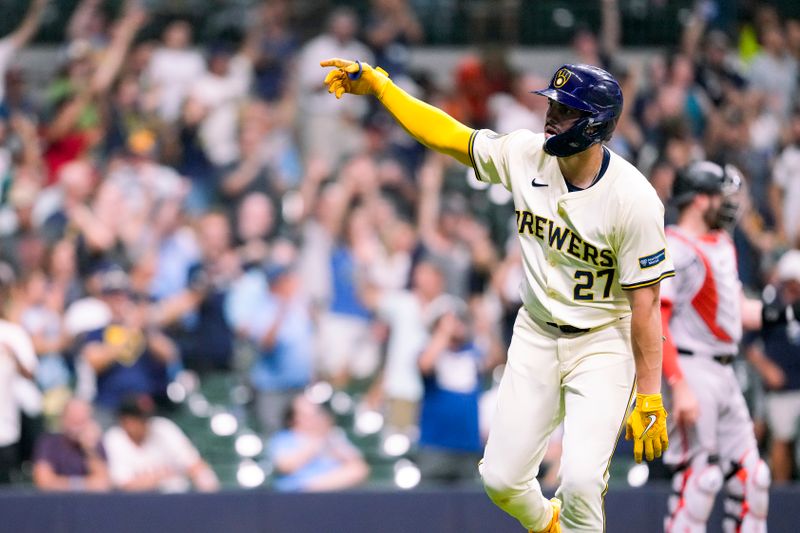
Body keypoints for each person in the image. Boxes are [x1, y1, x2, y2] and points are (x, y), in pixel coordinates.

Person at [321, 59, 673, 532]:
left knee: (582, 482)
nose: (551, 116)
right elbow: (448, 136)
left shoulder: (634, 199)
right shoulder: (526, 154)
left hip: (602, 341)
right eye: (551, 103)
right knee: (502, 481)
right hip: (537, 332)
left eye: (565, 110)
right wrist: (385, 90)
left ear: (595, 124)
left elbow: (646, 306)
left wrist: (649, 395)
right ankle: (547, 523)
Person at [660, 162, 773, 532]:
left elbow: (738, 311)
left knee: (754, 477)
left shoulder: (720, 242)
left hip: (725, 369)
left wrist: (786, 313)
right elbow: (655, 323)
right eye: (718, 196)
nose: (727, 204)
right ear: (698, 200)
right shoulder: (673, 247)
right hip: (692, 369)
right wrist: (677, 384)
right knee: (698, 482)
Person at [746, 249, 800, 483]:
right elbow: (749, 343)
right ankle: (781, 495)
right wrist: (767, 368)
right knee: (781, 439)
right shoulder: (771, 304)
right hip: (782, 387)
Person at [103, 394, 219, 492]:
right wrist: (166, 476)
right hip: (135, 506)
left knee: (206, 477)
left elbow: (196, 465)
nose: (146, 423)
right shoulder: (114, 438)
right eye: (140, 418)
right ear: (126, 421)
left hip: (175, 500)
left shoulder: (162, 427)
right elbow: (125, 485)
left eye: (146, 418)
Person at [269, 394, 369, 492]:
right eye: (306, 415)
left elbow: (358, 466)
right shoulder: (283, 438)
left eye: (316, 413)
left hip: (333, 491)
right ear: (293, 418)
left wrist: (332, 441)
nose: (313, 418)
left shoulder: (332, 436)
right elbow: (285, 466)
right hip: (297, 493)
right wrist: (316, 443)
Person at [32, 398, 110, 491]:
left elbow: (103, 483)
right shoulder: (48, 443)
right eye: (73, 420)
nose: (76, 428)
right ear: (62, 419)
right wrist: (82, 484)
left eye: (81, 421)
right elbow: (44, 481)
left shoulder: (94, 444)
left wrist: (89, 449)